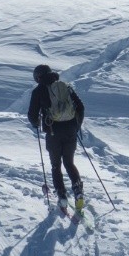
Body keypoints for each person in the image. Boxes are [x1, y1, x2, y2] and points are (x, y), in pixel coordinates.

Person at [28, 63, 85, 209]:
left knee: (55, 165)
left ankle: (62, 196)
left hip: (53, 132)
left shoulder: (38, 91)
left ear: (38, 77)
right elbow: (80, 107)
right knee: (69, 163)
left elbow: (32, 116)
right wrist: (76, 126)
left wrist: (36, 124)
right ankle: (78, 190)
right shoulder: (65, 86)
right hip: (70, 130)